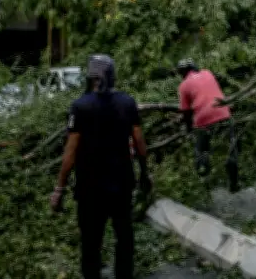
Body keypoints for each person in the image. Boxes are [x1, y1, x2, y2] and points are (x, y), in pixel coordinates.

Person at [50, 54, 152, 279]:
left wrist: (59, 187)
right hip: (122, 184)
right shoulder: (127, 103)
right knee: (124, 237)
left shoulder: (80, 106)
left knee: (90, 243)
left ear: (90, 77)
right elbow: (139, 142)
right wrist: (145, 173)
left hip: (90, 188)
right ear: (112, 75)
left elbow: (71, 151)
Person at [176, 58, 240, 192]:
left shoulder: (183, 86)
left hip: (203, 119)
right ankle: (232, 169)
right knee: (231, 143)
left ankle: (203, 171)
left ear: (181, 73)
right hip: (223, 112)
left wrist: (189, 128)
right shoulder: (207, 73)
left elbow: (186, 113)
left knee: (201, 149)